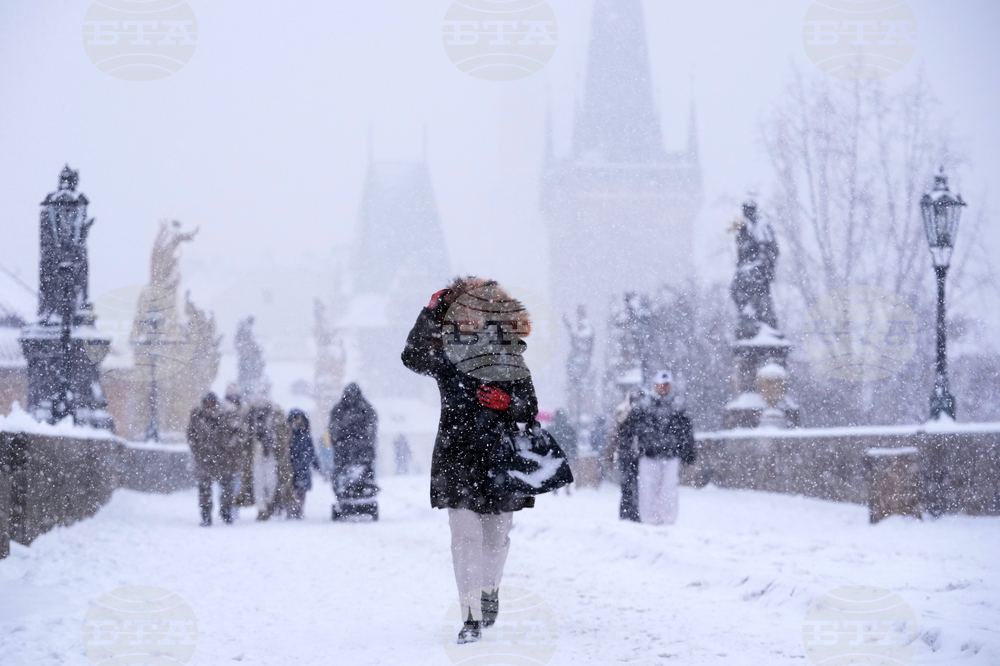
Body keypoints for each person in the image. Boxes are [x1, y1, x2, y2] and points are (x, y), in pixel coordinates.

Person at [402, 277, 538, 645]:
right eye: (462, 310)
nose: (469, 317)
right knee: (464, 536)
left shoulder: (508, 353)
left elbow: (530, 407)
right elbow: (412, 356)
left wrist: (507, 404)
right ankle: (470, 615)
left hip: (499, 457)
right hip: (456, 455)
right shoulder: (446, 353)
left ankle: (489, 591)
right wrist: (429, 312)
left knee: (496, 537)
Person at [618, 371, 696, 525]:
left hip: (671, 456)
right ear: (655, 385)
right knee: (647, 489)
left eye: (666, 384)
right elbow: (628, 430)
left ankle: (668, 519)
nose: (663, 388)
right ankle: (649, 519)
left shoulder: (677, 408)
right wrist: (628, 449)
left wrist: (688, 452)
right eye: (661, 384)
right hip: (649, 456)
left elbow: (686, 432)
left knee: (669, 489)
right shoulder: (643, 407)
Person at [328, 383, 379, 518]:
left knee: (365, 473)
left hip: (362, 450)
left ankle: (365, 491)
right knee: (340, 474)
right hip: (344, 451)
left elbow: (372, 427)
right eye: (349, 395)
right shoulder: (339, 409)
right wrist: (341, 441)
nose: (351, 397)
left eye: (353, 395)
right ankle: (342, 493)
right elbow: (333, 429)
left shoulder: (366, 409)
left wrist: (363, 441)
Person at [186, 392, 238, 526]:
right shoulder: (197, 416)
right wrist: (198, 451)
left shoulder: (226, 415)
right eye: (208, 402)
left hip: (224, 460)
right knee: (204, 491)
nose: (210, 405)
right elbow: (191, 435)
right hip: (204, 460)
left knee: (227, 489)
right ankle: (206, 516)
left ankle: (226, 512)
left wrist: (231, 448)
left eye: (212, 402)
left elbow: (237, 434)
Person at [249, 396, 293, 521]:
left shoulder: (275, 415)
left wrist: (276, 441)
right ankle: (261, 509)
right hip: (257, 454)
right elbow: (246, 434)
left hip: (272, 454)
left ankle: (268, 503)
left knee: (271, 482)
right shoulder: (251, 415)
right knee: (258, 483)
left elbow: (285, 432)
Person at [286, 409, 319, 519]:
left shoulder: (306, 436)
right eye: (295, 419)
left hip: (303, 468)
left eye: (300, 419)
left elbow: (312, 453)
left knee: (301, 491)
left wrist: (317, 466)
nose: (298, 422)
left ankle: (299, 510)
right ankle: (291, 510)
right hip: (290, 468)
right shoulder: (287, 437)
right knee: (291, 490)